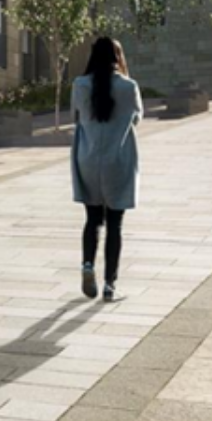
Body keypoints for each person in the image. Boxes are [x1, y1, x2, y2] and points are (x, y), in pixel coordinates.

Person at [72, 37, 143, 303]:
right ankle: (110, 284)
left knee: (92, 218)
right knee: (115, 223)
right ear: (118, 56)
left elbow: (76, 117)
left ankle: (87, 265)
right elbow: (137, 118)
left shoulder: (80, 85)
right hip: (118, 159)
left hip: (88, 158)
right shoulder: (129, 86)